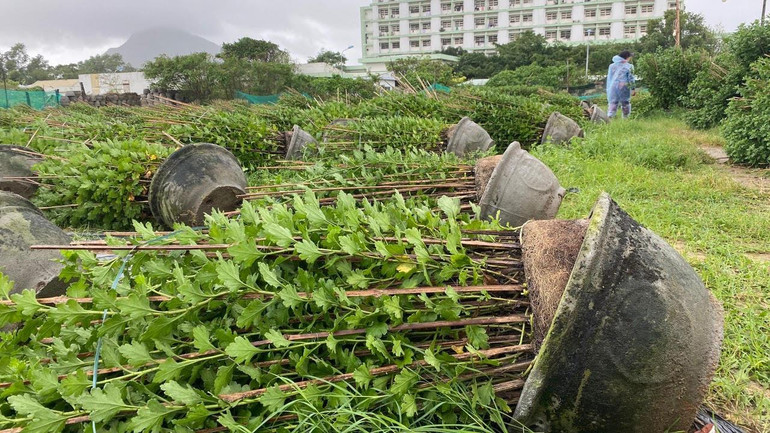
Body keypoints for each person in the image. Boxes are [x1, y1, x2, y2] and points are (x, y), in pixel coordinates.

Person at [606, 51, 636, 119]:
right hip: (624, 86)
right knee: (625, 103)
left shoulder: (612, 66)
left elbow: (609, 78)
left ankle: (610, 117)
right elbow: (631, 78)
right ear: (627, 57)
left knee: (613, 103)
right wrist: (633, 89)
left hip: (613, 87)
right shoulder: (629, 66)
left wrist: (610, 88)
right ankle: (625, 118)